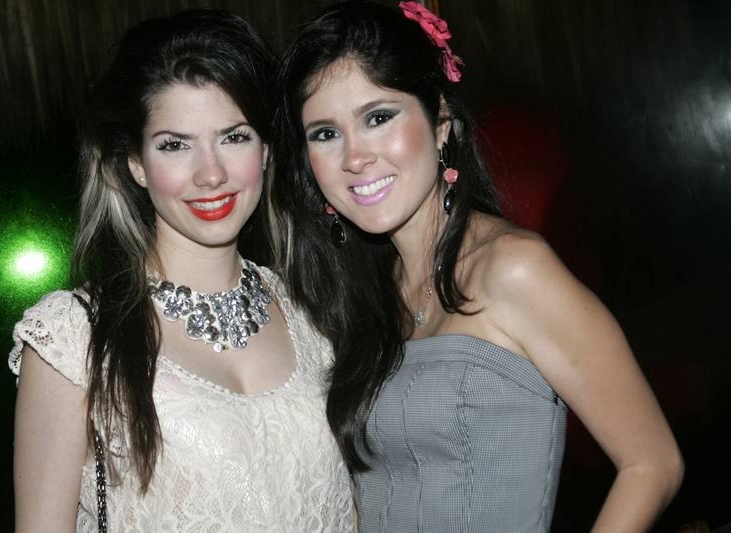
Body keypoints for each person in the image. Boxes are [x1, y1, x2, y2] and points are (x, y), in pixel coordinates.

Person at [269, 1, 683, 531]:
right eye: (325, 133)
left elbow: (652, 463)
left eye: (378, 117)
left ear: (441, 122)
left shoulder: (512, 269)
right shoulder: (365, 297)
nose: (354, 157)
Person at [9, 9, 353, 532]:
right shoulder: (72, 338)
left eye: (234, 137)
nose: (210, 173)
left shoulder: (315, 310)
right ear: (136, 163)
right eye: (175, 145)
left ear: (265, 150)